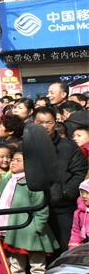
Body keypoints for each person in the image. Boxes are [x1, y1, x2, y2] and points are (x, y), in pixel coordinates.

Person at [0, 150, 59, 274]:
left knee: (37, 266)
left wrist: (37, 228)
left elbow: (41, 209)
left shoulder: (34, 183)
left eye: (18, 160)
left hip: (31, 232)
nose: (13, 162)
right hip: (13, 230)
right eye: (13, 159)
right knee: (16, 264)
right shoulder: (7, 181)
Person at [32, 107, 88, 254]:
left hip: (62, 208)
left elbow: (80, 171)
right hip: (36, 208)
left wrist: (66, 192)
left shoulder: (68, 147)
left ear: (55, 123)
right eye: (40, 122)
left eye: (48, 122)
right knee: (41, 252)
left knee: (67, 249)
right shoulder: (27, 146)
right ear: (33, 123)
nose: (44, 126)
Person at [69, 179, 89, 250]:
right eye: (82, 193)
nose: (84, 196)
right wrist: (73, 249)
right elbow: (76, 232)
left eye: (87, 193)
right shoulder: (78, 212)